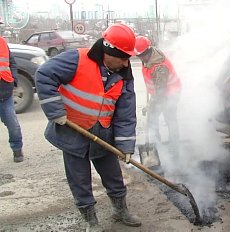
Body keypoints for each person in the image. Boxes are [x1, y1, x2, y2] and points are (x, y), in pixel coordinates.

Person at [35, 23, 141, 230]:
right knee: (80, 181)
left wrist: (126, 146)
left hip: (103, 134)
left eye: (128, 58)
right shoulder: (77, 59)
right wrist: (56, 112)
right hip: (72, 132)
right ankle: (91, 221)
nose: (126, 63)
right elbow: (44, 75)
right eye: (122, 57)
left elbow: (125, 114)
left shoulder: (125, 75)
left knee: (114, 178)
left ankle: (121, 211)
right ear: (109, 52)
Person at [134, 35, 182, 165]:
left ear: (148, 51)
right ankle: (157, 148)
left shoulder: (159, 67)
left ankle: (173, 151)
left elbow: (160, 93)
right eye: (138, 56)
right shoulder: (148, 58)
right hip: (160, 92)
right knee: (152, 121)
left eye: (141, 55)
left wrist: (149, 106)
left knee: (169, 121)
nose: (140, 58)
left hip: (170, 94)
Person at [0, 21, 24, 163]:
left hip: (5, 93)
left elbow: (11, 62)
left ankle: (17, 149)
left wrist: (13, 80)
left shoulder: (2, 43)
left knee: (12, 124)